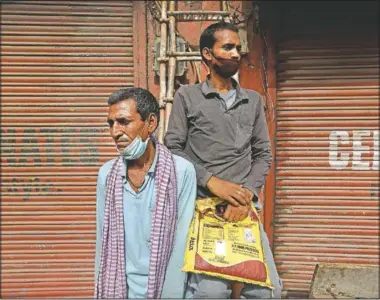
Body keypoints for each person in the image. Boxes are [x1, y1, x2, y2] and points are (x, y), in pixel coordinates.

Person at [164, 22, 282, 298]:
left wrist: (248, 195)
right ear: (207, 54)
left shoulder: (252, 100)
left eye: (238, 48)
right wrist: (212, 182)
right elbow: (173, 149)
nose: (235, 53)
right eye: (227, 47)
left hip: (243, 210)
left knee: (267, 292)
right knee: (211, 294)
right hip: (204, 209)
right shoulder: (187, 96)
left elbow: (263, 153)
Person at [94, 88, 197, 299]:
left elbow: (182, 244)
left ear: (150, 123)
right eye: (111, 124)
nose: (115, 132)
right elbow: (102, 244)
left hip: (168, 290)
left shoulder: (180, 172)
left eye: (124, 122)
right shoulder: (107, 175)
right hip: (121, 290)